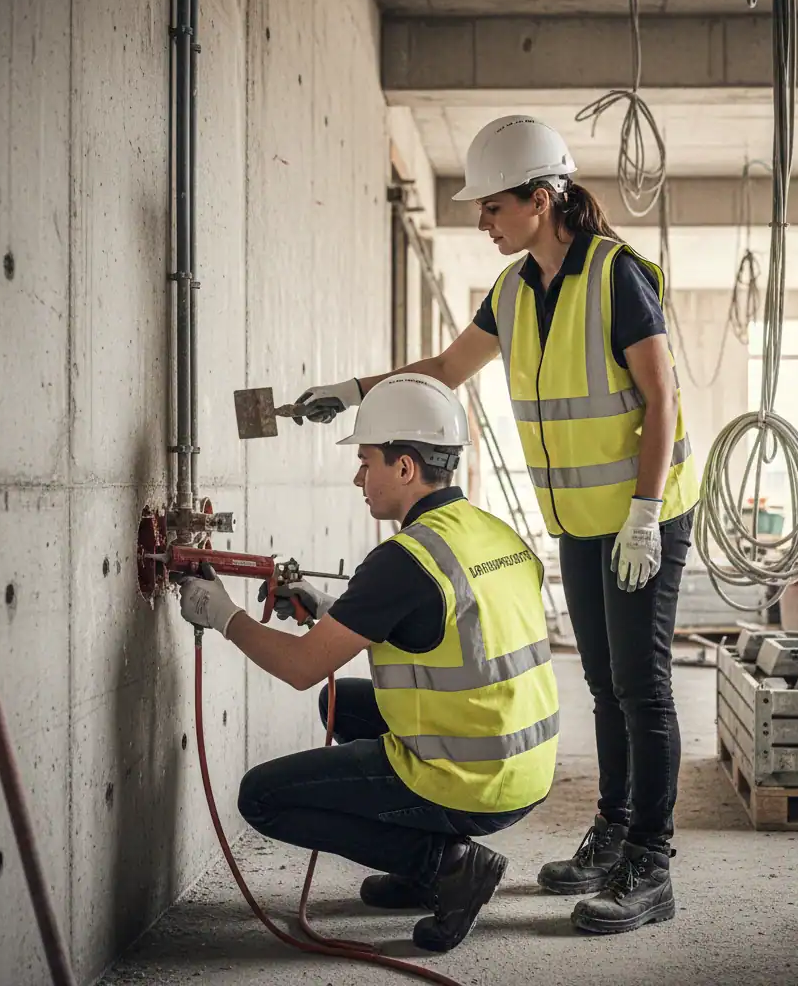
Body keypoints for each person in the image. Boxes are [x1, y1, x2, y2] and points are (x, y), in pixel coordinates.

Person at [295, 115, 700, 935]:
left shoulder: (618, 277)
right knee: (601, 683)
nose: (482, 220)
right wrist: (353, 389)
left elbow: (661, 399)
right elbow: (445, 370)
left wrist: (648, 513)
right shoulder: (516, 291)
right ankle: (612, 834)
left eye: (492, 207)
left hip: (642, 515)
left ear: (541, 199)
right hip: (582, 521)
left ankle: (650, 866)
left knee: (642, 685)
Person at [177, 373, 560, 953]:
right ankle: (423, 862)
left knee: (262, 797)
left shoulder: (405, 559)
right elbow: (440, 625)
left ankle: (444, 864)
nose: (359, 477)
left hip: (472, 782)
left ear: (405, 468)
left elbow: (303, 665)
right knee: (341, 704)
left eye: (366, 462)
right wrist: (330, 609)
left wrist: (223, 614)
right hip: (523, 764)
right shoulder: (488, 533)